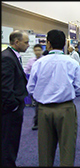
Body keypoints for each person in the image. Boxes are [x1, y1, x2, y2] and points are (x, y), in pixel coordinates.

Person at [26, 29, 80, 166]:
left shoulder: (39, 63)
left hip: (43, 109)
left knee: (45, 149)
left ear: (48, 44)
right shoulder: (71, 63)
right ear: (64, 45)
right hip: (65, 108)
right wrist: (68, 93)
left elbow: (30, 88)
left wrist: (41, 95)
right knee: (67, 148)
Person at [1, 30, 30, 167]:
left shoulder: (12, 56)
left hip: (13, 107)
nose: (28, 45)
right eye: (26, 42)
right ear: (16, 42)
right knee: (8, 142)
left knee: (11, 141)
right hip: (10, 110)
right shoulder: (7, 57)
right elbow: (5, 87)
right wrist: (14, 106)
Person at [24, 43, 43, 130]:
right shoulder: (32, 61)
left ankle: (42, 122)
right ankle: (37, 122)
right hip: (35, 86)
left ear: (42, 51)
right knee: (37, 106)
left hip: (43, 85)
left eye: (39, 50)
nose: (37, 52)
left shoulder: (45, 60)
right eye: (35, 50)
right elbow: (26, 70)